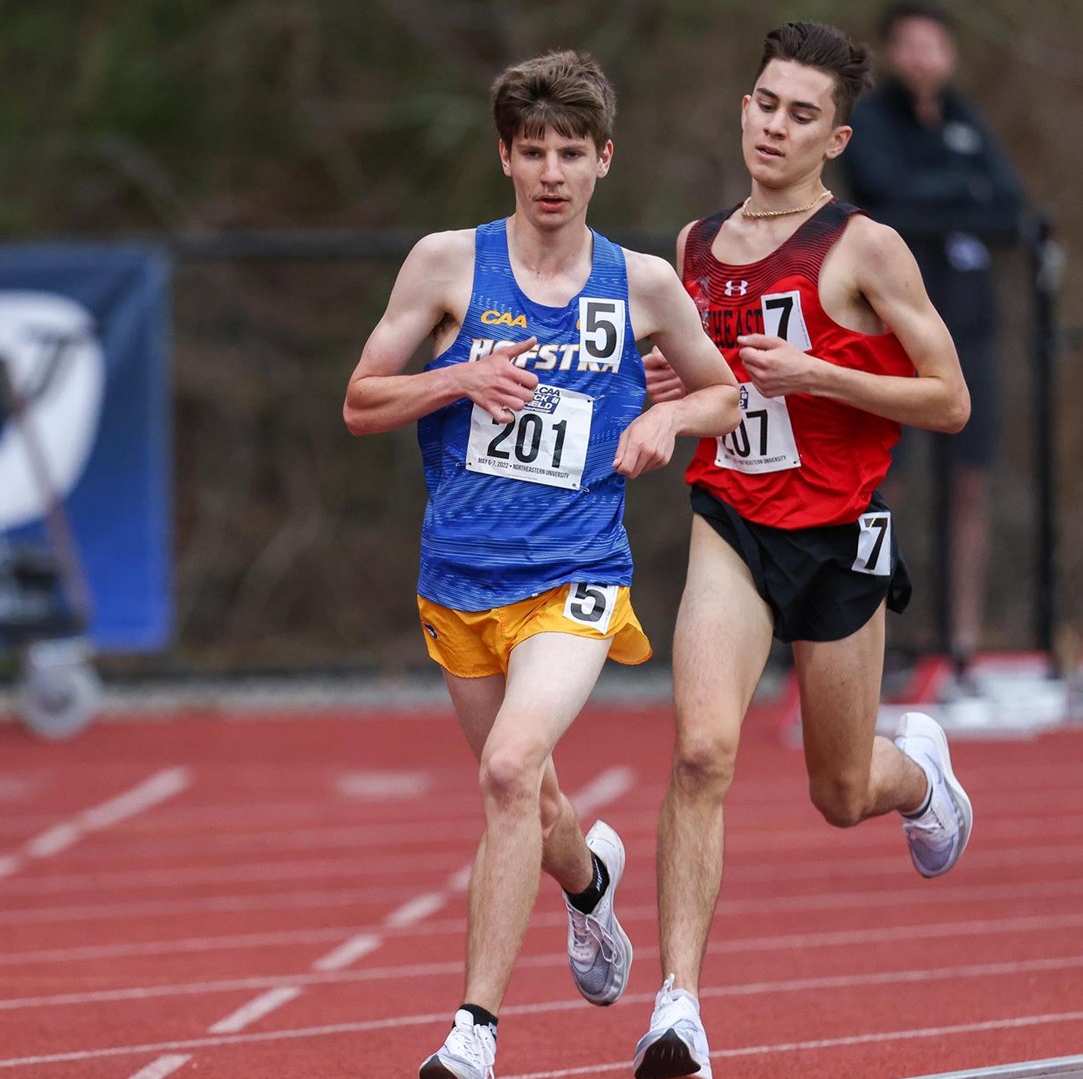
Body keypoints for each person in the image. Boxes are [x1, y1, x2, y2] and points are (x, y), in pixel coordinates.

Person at [342, 50, 740, 1079]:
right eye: (532, 152)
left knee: (509, 768)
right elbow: (361, 401)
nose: (551, 172)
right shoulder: (447, 265)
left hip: (577, 573)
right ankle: (590, 885)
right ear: (505, 158)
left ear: (604, 158)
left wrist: (664, 420)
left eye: (571, 152)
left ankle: (472, 1031)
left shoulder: (641, 282)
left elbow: (724, 393)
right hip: (460, 578)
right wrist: (457, 378)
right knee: (539, 804)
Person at [634, 22, 973, 1078]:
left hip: (837, 533)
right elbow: (700, 380)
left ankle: (916, 778)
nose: (776, 127)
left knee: (839, 791)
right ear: (744, 109)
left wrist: (821, 374)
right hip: (731, 520)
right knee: (702, 750)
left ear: (836, 139)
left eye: (802, 115)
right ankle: (677, 1009)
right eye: (766, 104)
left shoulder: (865, 246)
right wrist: (669, 386)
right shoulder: (694, 247)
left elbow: (950, 400)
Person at [841, 1, 1029, 666]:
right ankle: (877, 624)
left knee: (969, 479)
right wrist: (962, 195)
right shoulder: (870, 121)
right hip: (889, 330)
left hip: (968, 327)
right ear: (893, 52)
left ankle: (962, 632)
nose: (924, 59)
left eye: (935, 46)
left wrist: (944, 199)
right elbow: (883, 196)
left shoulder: (967, 119)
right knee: (885, 478)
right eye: (912, 45)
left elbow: (1011, 207)